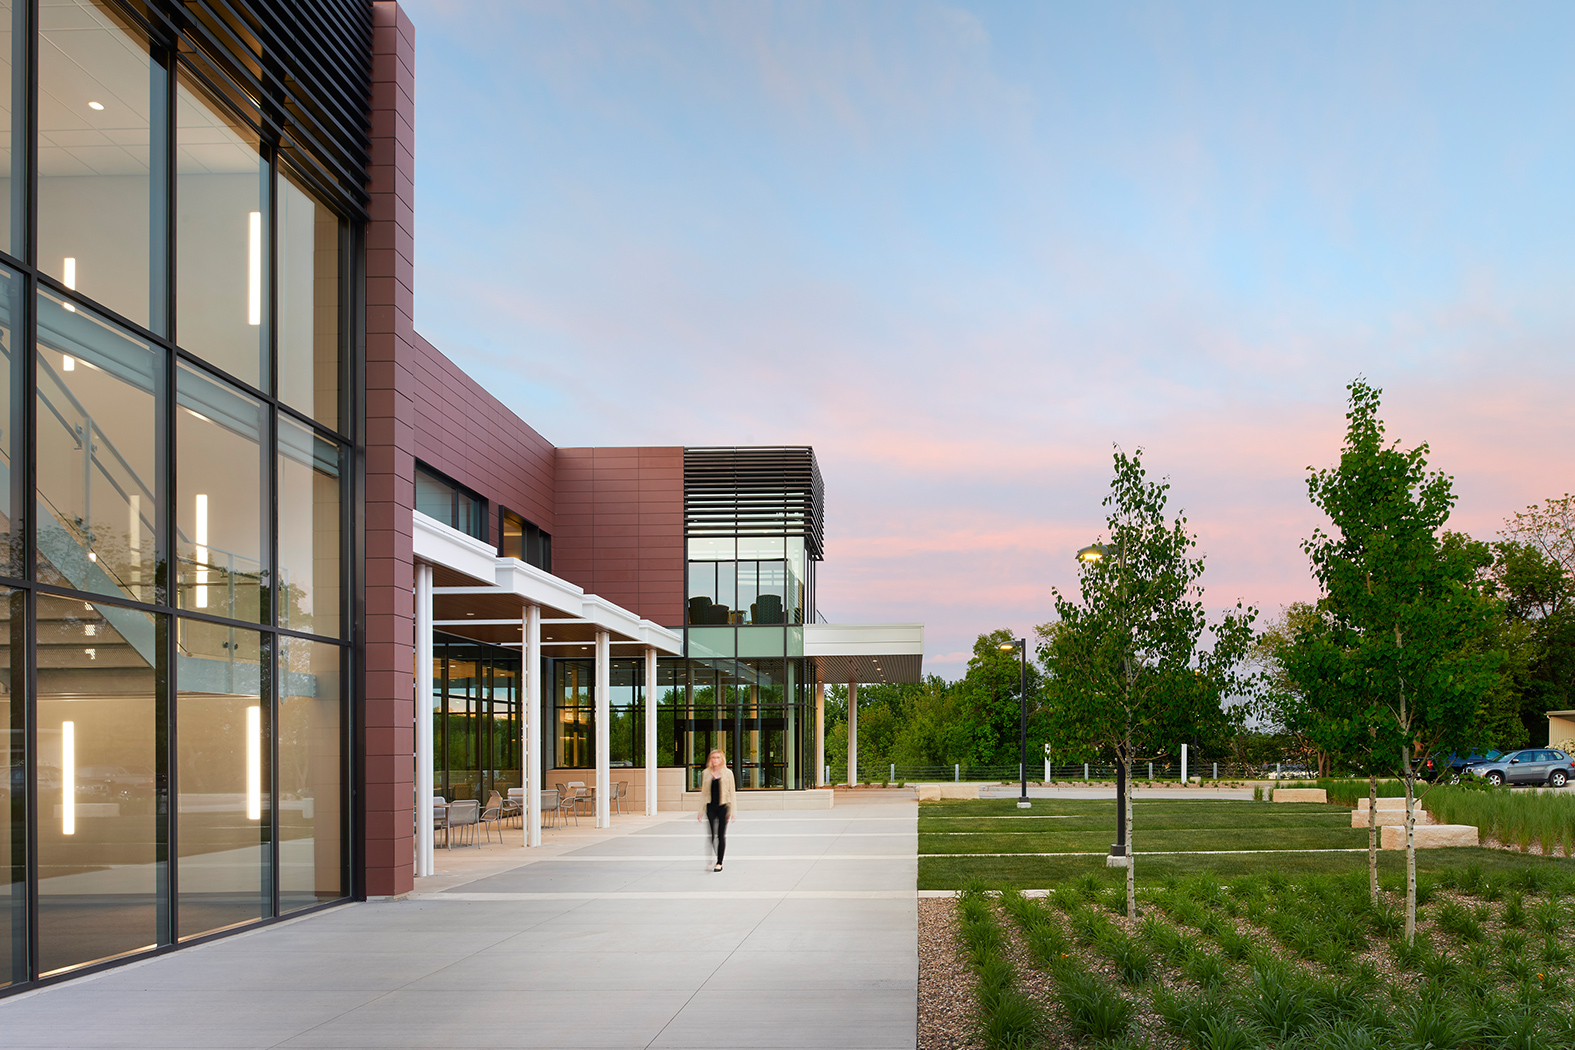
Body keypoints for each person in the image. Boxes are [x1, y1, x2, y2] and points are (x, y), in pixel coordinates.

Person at [696, 748, 735, 871]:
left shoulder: (728, 773)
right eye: (713, 757)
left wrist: (733, 811)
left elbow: (732, 793)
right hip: (710, 806)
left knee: (721, 835)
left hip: (723, 806)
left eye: (718, 758)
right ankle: (711, 860)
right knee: (712, 835)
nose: (715, 760)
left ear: (722, 759)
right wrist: (700, 810)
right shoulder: (706, 773)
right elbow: (703, 793)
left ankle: (719, 862)